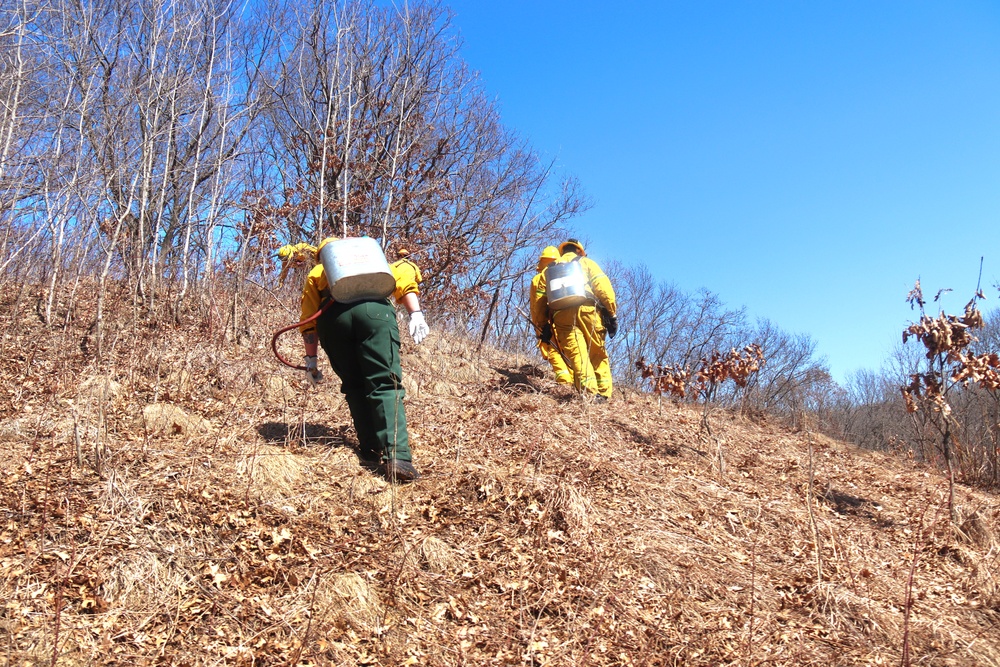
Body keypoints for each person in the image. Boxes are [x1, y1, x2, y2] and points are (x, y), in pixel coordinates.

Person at [299, 237, 430, 483]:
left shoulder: (317, 272)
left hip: (333, 320)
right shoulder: (375, 264)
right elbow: (405, 276)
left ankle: (371, 451)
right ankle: (398, 456)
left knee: (354, 386)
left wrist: (311, 360)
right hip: (375, 312)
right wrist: (416, 314)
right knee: (384, 383)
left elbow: (309, 321)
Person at [530, 238, 617, 401]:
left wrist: (543, 326)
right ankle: (604, 395)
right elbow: (604, 289)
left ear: (562, 252)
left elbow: (539, 302)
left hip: (561, 315)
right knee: (597, 353)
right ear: (579, 251)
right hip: (588, 310)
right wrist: (612, 314)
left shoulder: (547, 271)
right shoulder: (587, 263)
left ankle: (589, 395)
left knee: (578, 355)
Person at [530, 246, 574, 385]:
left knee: (552, 349)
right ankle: (575, 380)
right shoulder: (565, 274)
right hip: (566, 319)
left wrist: (540, 326)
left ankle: (564, 380)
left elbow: (536, 305)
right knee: (569, 350)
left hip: (548, 320)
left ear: (542, 261)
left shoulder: (538, 279)